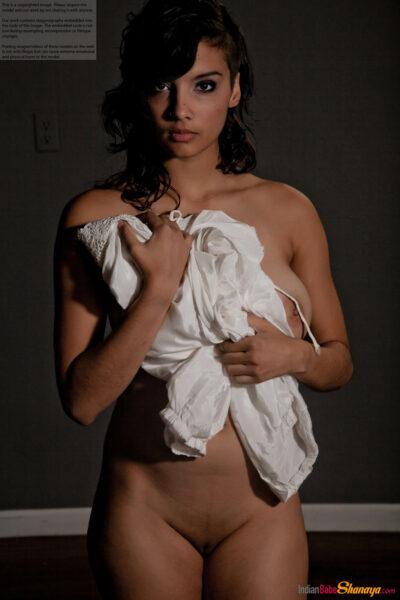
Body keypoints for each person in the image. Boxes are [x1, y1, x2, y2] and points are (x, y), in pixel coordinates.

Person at [53, 0, 354, 598]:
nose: (180, 108)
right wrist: (157, 292)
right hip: (145, 510)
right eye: (160, 85)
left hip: (262, 509)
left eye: (205, 85)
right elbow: (82, 402)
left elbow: (339, 361)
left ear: (235, 89)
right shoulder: (96, 218)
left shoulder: (289, 210)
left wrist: (296, 357)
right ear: (137, 92)